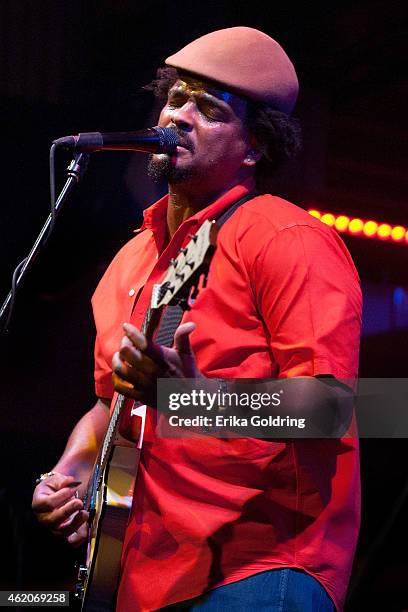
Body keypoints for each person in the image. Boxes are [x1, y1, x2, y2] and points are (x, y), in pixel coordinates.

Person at [32, 27, 361, 611]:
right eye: (176, 97)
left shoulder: (285, 236)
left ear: (254, 147)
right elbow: (112, 404)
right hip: (142, 573)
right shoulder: (132, 258)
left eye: (208, 110)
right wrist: (69, 473)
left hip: (260, 566)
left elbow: (333, 407)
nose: (179, 115)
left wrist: (190, 398)